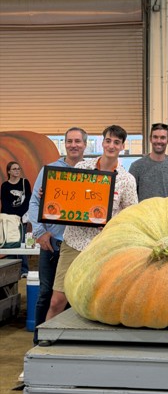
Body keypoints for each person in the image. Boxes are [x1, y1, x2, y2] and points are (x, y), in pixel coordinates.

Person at [45, 125, 138, 322]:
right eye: (108, 141)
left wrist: (111, 224)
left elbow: (131, 216)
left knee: (97, 303)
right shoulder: (82, 168)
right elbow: (68, 198)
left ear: (122, 146)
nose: (111, 146)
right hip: (73, 243)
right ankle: (45, 338)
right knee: (57, 301)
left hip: (103, 249)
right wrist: (49, 196)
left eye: (117, 142)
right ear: (102, 142)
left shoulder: (127, 180)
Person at [28, 127, 88, 344]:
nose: (73, 145)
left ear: (85, 145)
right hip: (52, 242)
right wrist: (40, 232)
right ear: (65, 144)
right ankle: (39, 340)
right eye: (69, 141)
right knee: (46, 293)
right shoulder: (50, 171)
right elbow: (35, 202)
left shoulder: (91, 172)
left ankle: (68, 341)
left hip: (79, 246)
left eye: (78, 141)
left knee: (73, 295)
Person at [129, 123, 168, 200]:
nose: (159, 141)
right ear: (150, 139)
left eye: (162, 138)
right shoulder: (136, 166)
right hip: (145, 208)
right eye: (155, 137)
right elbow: (130, 198)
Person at [0, 161, 31, 277]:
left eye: (18, 168)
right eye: (14, 169)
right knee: (11, 243)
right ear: (9, 171)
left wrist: (19, 215)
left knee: (22, 243)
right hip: (9, 220)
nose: (17, 171)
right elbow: (5, 204)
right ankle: (11, 271)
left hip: (21, 218)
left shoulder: (24, 182)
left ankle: (24, 270)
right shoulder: (5, 186)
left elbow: (27, 200)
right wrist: (12, 217)